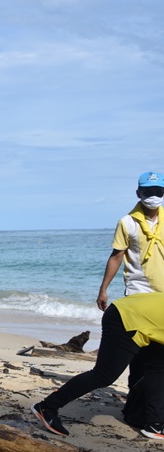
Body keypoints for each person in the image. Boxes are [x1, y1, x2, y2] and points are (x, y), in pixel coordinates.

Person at [31, 292, 164, 440]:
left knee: (159, 368)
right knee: (104, 375)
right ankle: (47, 407)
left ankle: (153, 423)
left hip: (141, 316)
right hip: (126, 318)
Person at [97, 171, 164, 389]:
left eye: (158, 191)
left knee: (159, 356)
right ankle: (133, 400)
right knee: (139, 354)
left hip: (162, 298)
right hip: (138, 293)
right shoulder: (127, 222)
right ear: (139, 192)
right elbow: (117, 256)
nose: (153, 195)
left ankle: (149, 405)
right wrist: (103, 289)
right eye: (148, 191)